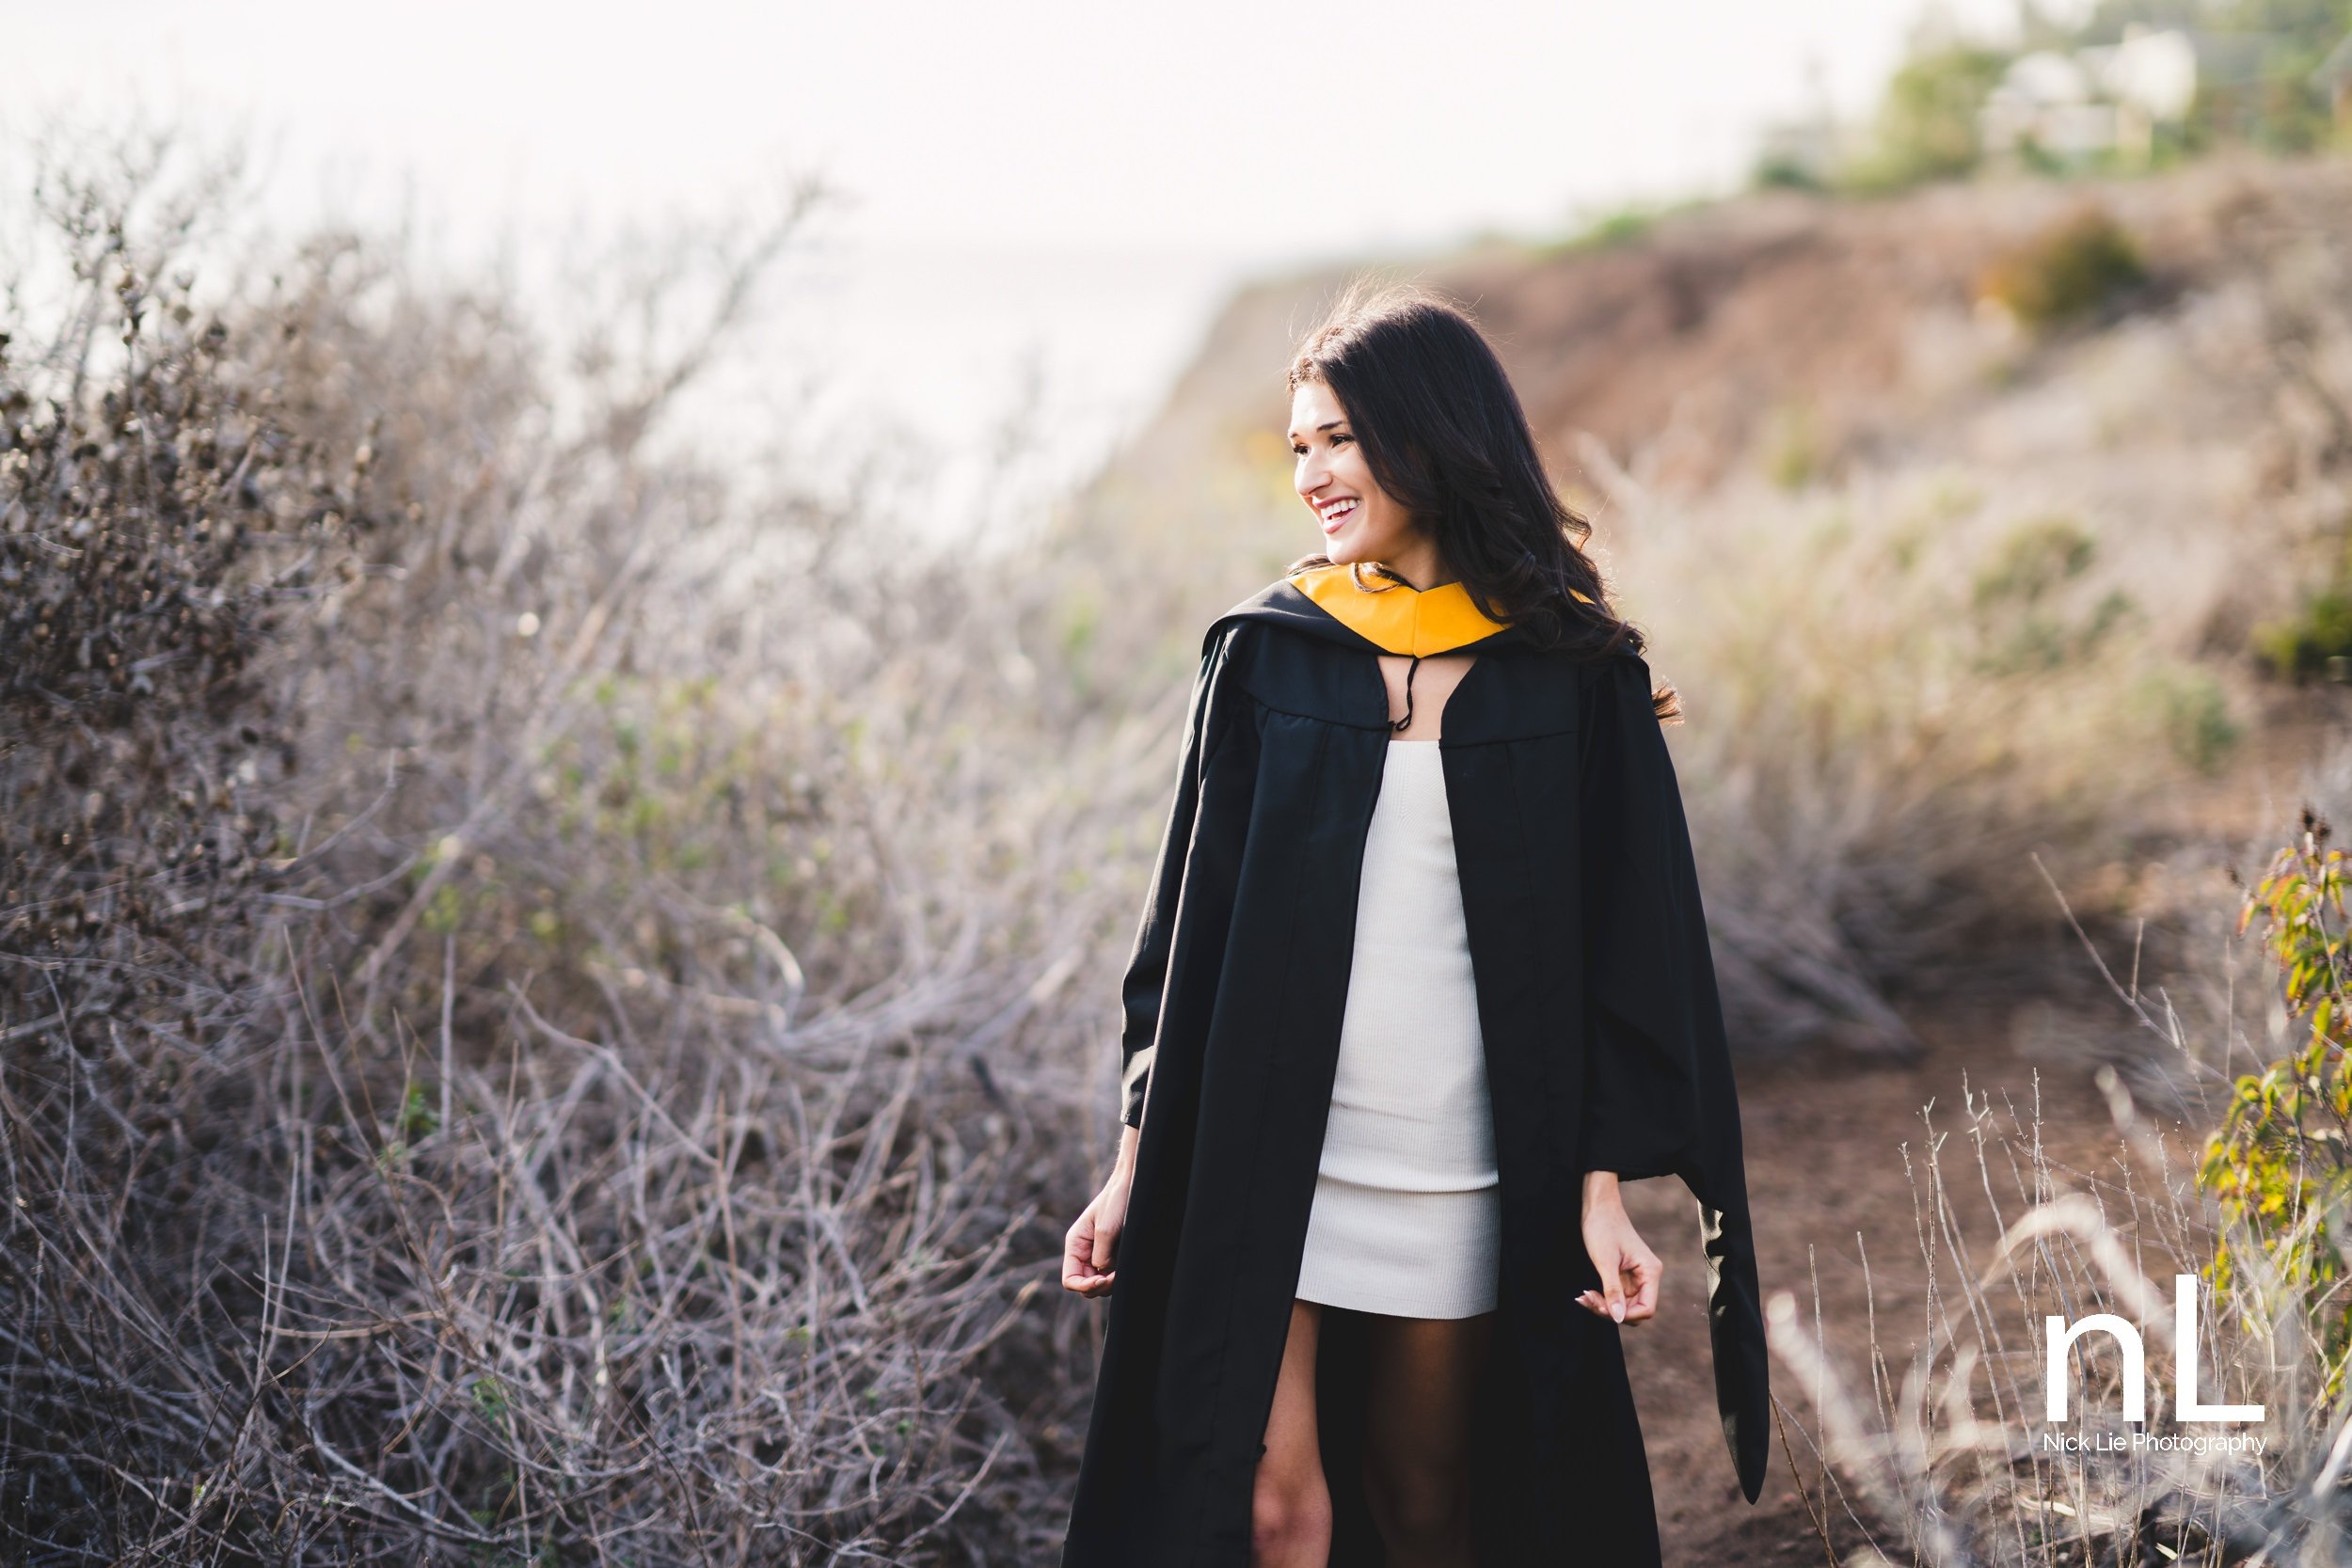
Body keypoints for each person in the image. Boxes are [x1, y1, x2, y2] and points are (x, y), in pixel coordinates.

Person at [1057, 280, 1767, 1568]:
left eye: (1339, 440)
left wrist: (1598, 1190)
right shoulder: (1268, 657)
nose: (1313, 477)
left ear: (1430, 437)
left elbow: (1623, 953)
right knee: (1275, 1513)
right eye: (1297, 449)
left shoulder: (1571, 678)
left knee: (1427, 1504)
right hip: (1268, 1155)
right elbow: (1183, 936)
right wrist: (1131, 1158)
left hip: (1459, 1166)